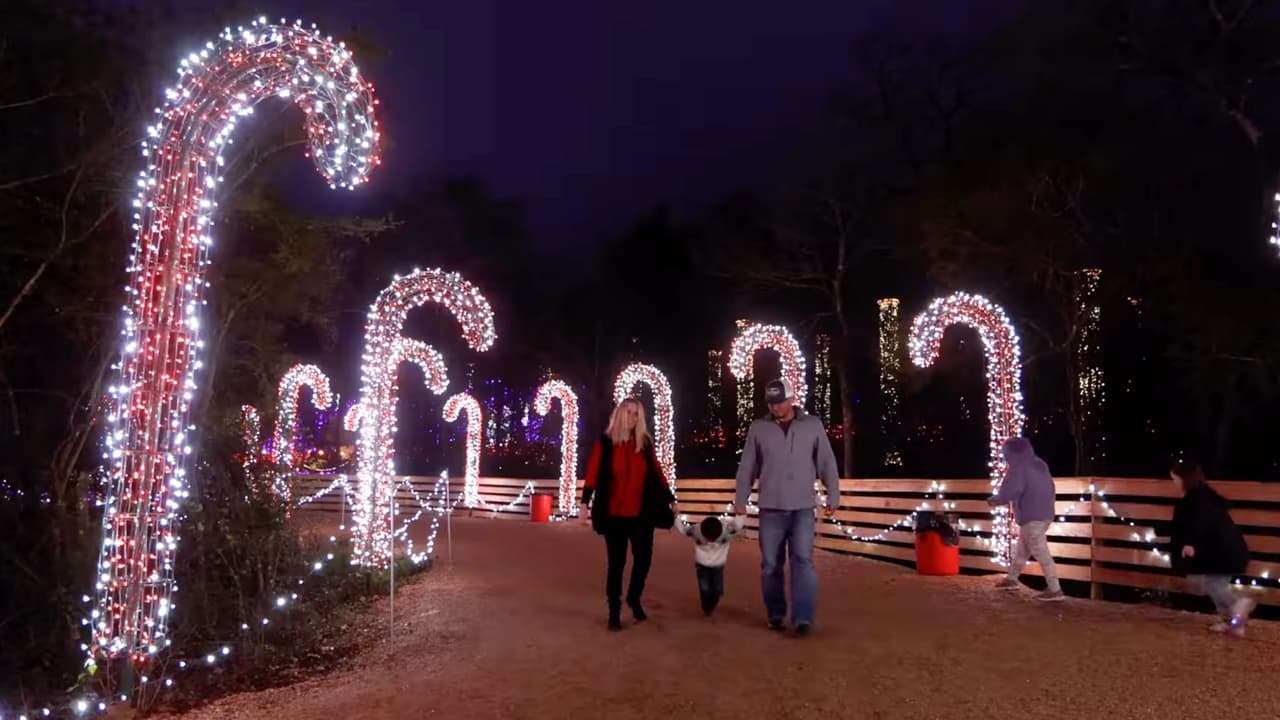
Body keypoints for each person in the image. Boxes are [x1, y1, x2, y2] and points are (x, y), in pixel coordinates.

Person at [734, 377, 840, 636]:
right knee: (771, 564)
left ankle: (803, 617)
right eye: (771, 403)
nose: (775, 408)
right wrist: (741, 499)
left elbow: (826, 461)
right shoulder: (758, 428)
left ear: (792, 399)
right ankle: (776, 614)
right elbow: (747, 466)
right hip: (771, 508)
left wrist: (833, 495)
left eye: (779, 402)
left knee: (803, 560)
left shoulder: (812, 426)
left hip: (803, 507)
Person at [581, 398, 677, 631]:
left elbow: (656, 472)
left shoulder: (643, 442)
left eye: (637, 414)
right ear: (619, 414)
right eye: (629, 412)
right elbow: (593, 471)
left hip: (641, 512)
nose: (633, 417)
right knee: (617, 563)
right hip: (614, 513)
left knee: (644, 557)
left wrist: (670, 498)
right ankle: (614, 610)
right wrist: (585, 502)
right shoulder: (605, 443)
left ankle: (634, 598)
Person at [1168, 457, 1254, 636]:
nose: (1174, 484)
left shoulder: (1198, 500)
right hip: (1224, 550)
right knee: (1213, 584)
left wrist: (1190, 542)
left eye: (1175, 479)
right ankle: (1234, 623)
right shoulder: (1202, 496)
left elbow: (1199, 523)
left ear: (1185, 479)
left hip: (1223, 551)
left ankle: (1239, 605)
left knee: (1215, 585)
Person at [989, 437, 1065, 602]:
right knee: (1022, 550)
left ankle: (1055, 589)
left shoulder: (1018, 469)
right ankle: (1012, 579)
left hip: (1032, 516)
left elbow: (1009, 492)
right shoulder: (1039, 463)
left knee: (1041, 553)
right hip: (1045, 514)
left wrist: (996, 500)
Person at [673, 512, 748, 615]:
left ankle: (711, 604)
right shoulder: (696, 530)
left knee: (718, 590)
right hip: (702, 565)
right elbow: (683, 529)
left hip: (718, 565)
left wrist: (741, 514)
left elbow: (738, 525)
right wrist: (676, 517)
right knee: (704, 588)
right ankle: (706, 606)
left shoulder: (727, 530)